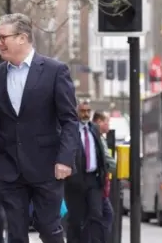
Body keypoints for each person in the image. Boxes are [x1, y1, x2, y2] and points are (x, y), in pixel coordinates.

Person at [0, 13, 79, 243]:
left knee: (48, 228)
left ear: (22, 38)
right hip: (10, 167)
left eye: (3, 37)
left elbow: (69, 120)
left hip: (46, 166)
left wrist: (65, 159)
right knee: (15, 232)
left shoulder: (55, 71)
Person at [65, 101, 107, 243]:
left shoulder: (93, 129)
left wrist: (103, 174)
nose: (86, 114)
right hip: (76, 181)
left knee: (96, 216)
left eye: (88, 111)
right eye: (83, 111)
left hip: (93, 179)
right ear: (77, 112)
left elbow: (100, 152)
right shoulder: (70, 129)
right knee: (76, 220)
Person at [92, 111, 116, 242]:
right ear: (99, 122)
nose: (109, 125)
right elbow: (107, 160)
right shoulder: (98, 137)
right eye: (107, 122)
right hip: (97, 184)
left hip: (99, 184)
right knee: (107, 215)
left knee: (103, 215)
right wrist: (116, 168)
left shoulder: (98, 136)